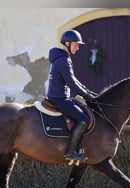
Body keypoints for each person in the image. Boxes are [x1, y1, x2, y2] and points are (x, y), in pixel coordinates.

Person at [47, 29, 96, 163]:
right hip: (59, 98)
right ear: (67, 43)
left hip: (59, 97)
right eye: (76, 44)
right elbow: (72, 83)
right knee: (84, 119)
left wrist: (87, 92)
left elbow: (74, 80)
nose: (78, 47)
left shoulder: (61, 58)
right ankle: (71, 152)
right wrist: (87, 95)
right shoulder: (63, 60)